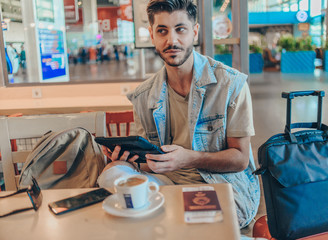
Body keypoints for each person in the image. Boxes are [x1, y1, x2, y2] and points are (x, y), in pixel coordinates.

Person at [97, 0, 260, 228]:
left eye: (180, 29)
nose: (171, 40)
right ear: (152, 36)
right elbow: (148, 164)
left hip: (223, 185)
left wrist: (189, 158)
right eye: (162, 31)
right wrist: (131, 161)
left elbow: (241, 159)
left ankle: (166, 217)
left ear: (194, 32)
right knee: (111, 174)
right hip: (166, 182)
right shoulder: (143, 96)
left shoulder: (230, 84)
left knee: (173, 218)